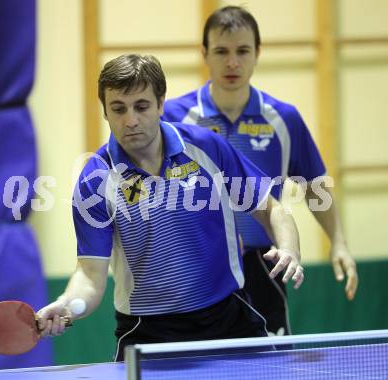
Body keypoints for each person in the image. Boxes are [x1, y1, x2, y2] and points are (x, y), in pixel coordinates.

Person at [37, 54, 304, 361]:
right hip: (148, 331)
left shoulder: (206, 147)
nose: (131, 120)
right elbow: (90, 275)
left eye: (142, 106)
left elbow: (271, 209)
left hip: (229, 320)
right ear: (105, 112)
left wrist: (289, 248)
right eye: (118, 109)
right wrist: (67, 305)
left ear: (161, 103)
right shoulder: (95, 181)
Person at [162, 6, 358, 336]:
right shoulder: (174, 119)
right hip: (198, 268)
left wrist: (338, 242)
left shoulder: (284, 119)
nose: (233, 63)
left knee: (271, 365)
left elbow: (314, 187)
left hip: (266, 266)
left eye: (243, 51)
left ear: (258, 53)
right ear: (204, 54)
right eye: (222, 52)